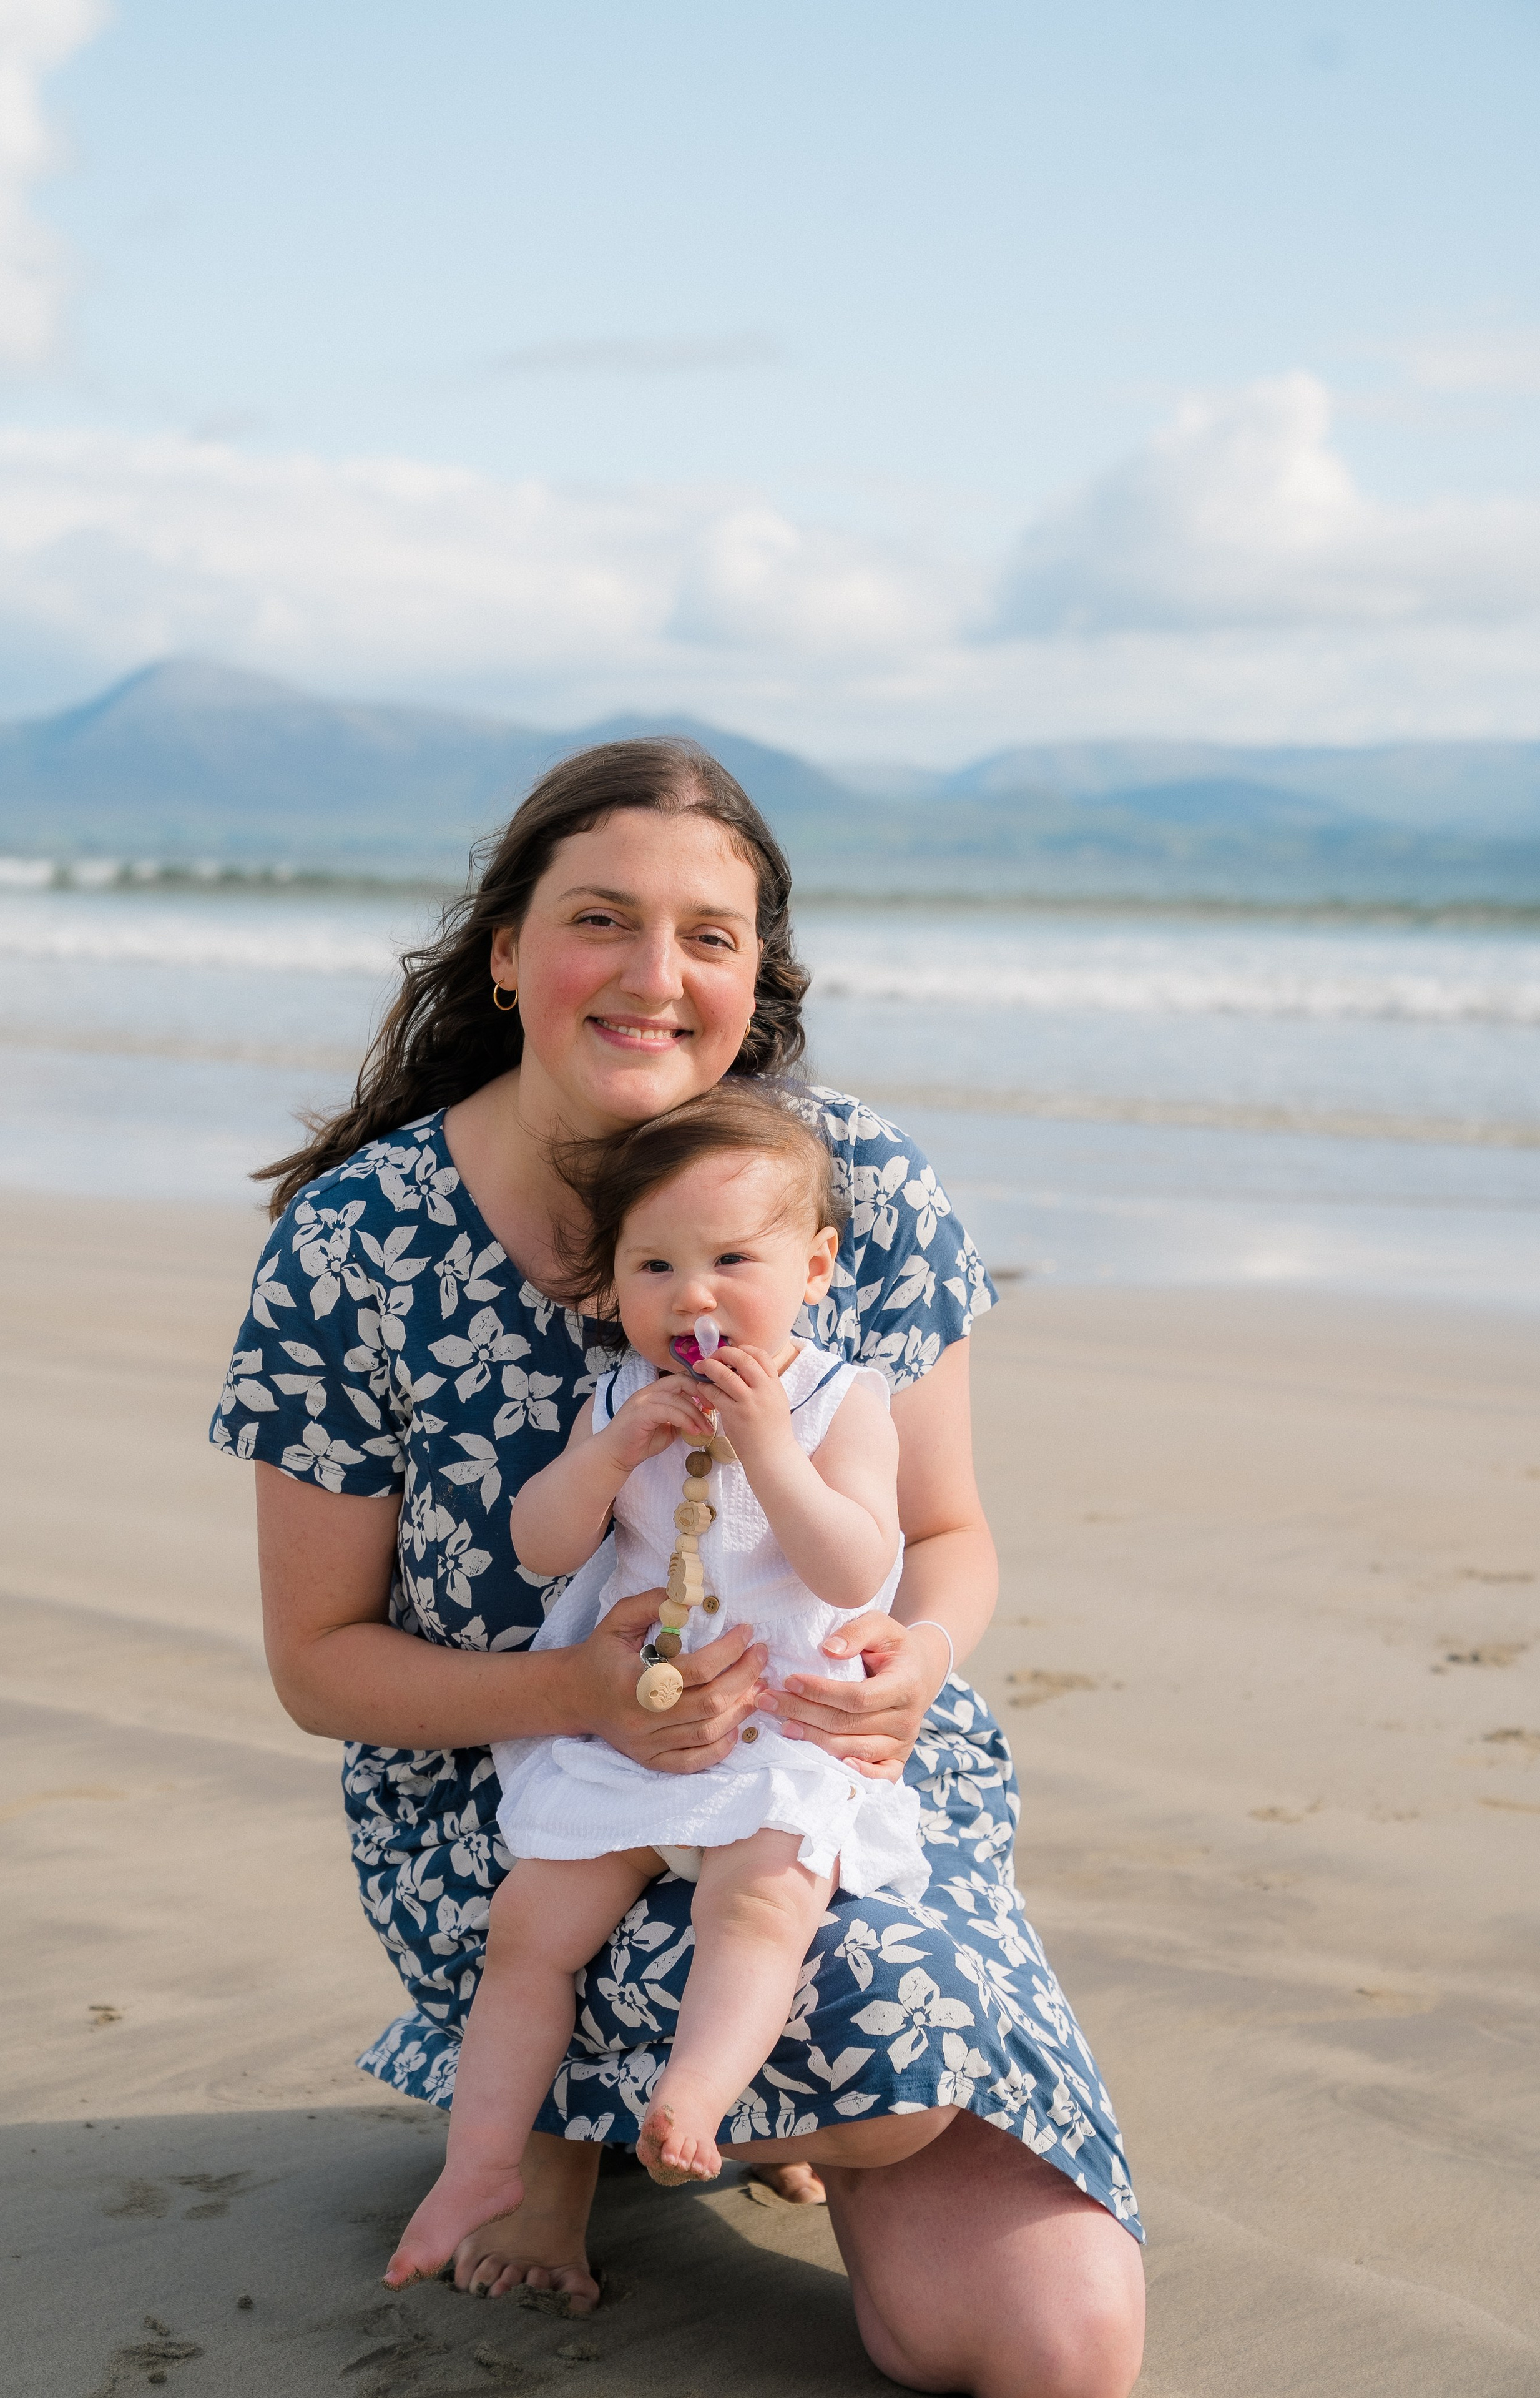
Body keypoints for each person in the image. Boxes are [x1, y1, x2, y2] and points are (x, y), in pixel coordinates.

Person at [212, 738, 1145, 2398]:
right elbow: (319, 1662)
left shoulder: (850, 1189)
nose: (656, 978)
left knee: (1056, 2345)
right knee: (637, 1984)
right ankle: (555, 2128)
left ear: (757, 974)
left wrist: (919, 1658)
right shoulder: (358, 1243)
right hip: (511, 1801)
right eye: (601, 920)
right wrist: (589, 1689)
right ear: (503, 950)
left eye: (710, 936)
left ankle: (734, 2106)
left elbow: (946, 1539)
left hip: (809, 1764)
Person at [383, 1084, 933, 2287]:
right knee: (531, 1926)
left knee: (763, 1903)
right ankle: (482, 2159)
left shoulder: (843, 1401)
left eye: (734, 1259)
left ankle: (698, 2096)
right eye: (655, 1266)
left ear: (817, 1266)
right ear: (612, 1287)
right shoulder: (620, 1402)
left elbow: (856, 1562)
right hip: (635, 1741)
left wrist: (773, 1450)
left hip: (784, 1732)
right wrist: (609, 1453)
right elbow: (541, 1543)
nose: (694, 1295)